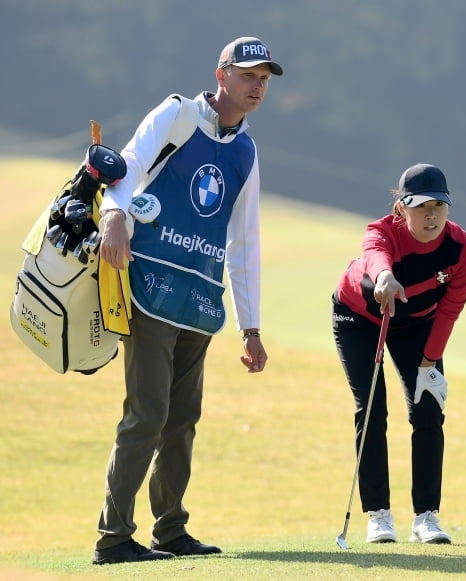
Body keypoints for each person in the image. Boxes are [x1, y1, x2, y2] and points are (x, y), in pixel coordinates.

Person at [92, 36, 283, 565]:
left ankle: (170, 529)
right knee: (147, 414)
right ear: (221, 74)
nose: (257, 86)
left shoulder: (246, 150)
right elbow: (127, 164)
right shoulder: (177, 116)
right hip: (150, 287)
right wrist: (113, 214)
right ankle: (113, 537)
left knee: (182, 419)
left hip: (200, 298)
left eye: (264, 79)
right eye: (249, 75)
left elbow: (244, 241)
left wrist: (252, 327)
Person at [332, 163, 466, 545]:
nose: (431, 215)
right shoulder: (381, 231)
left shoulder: (463, 249)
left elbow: (450, 308)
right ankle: (378, 515)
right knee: (372, 408)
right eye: (421, 207)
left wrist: (430, 363)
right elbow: (374, 256)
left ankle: (426, 517)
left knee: (428, 409)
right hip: (360, 318)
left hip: (419, 325)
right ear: (402, 209)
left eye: (439, 206)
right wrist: (384, 278)